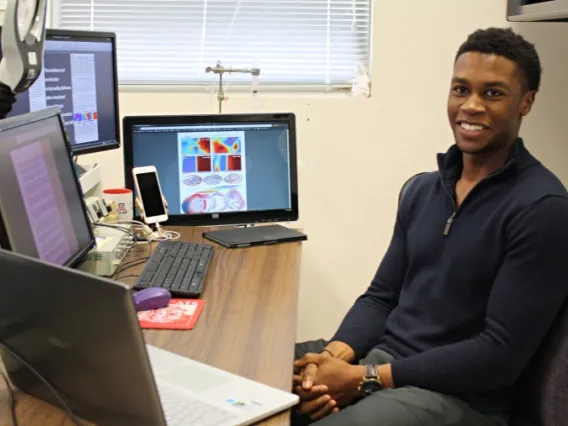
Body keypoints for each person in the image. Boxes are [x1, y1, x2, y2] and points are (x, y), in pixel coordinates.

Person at [292, 27, 568, 426]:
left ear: (526, 102)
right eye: (461, 89)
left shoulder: (544, 209)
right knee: (245, 378)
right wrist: (333, 360)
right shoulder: (423, 190)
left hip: (461, 397)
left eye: (493, 93)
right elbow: (380, 298)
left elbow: (499, 354)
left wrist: (363, 379)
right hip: (383, 365)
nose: (471, 106)